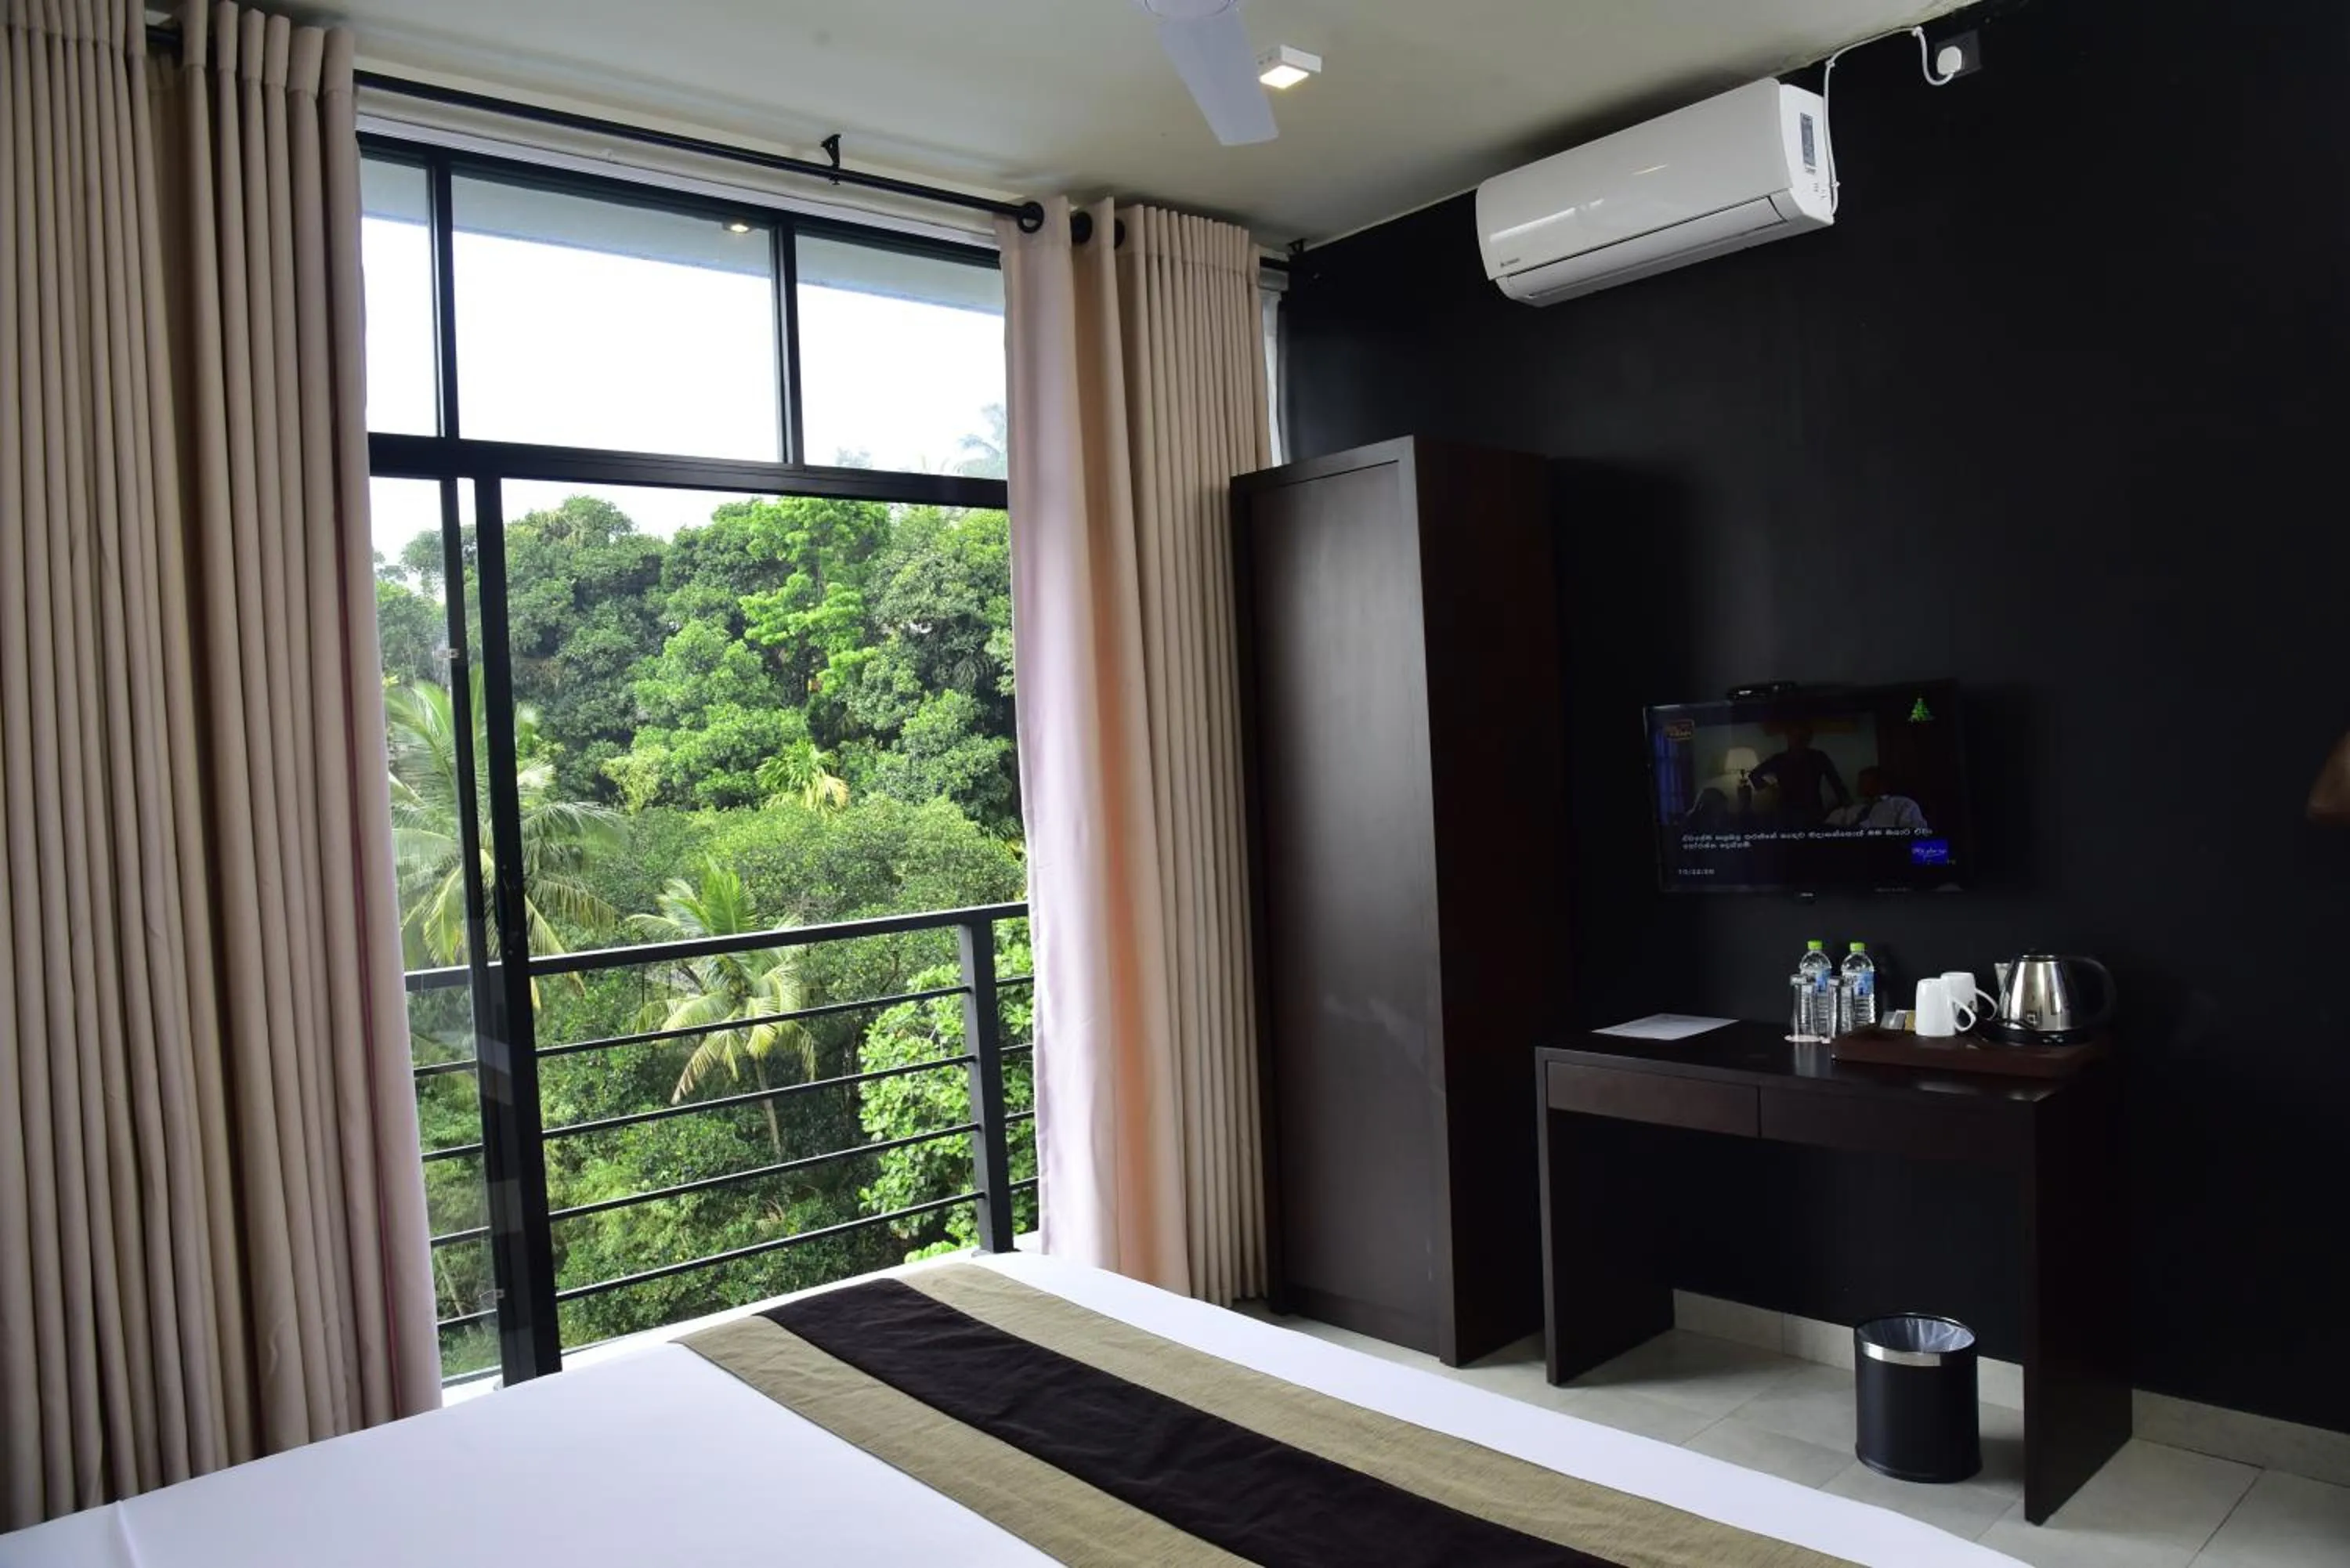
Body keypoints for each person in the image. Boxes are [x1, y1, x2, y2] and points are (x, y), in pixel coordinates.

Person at [1747, 723, 1850, 827]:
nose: (1799, 740)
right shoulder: (1779, 759)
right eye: (1795, 736)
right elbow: (1754, 775)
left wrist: (1846, 805)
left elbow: (1836, 782)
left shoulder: (1818, 757)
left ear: (1809, 739)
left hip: (1812, 810)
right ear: (1788, 737)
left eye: (1803, 737)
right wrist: (1771, 789)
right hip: (1787, 810)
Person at [1825, 767, 1930, 832]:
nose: (1858, 785)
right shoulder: (1851, 809)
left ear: (1881, 784)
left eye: (1864, 781)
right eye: (1859, 781)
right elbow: (1826, 829)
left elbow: (1916, 832)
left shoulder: (1902, 804)